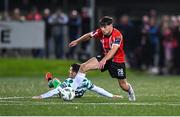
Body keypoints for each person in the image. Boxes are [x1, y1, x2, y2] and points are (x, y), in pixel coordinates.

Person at [68, 16, 136, 101]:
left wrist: (104, 60)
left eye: (105, 27)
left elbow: (113, 50)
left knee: (123, 85)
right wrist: (77, 41)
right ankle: (72, 91)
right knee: (83, 67)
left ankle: (130, 90)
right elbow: (89, 35)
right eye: (101, 27)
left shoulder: (117, 35)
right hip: (104, 56)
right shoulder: (100, 32)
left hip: (117, 61)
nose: (102, 29)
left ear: (111, 25)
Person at [32, 63, 123, 99]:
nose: (69, 71)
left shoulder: (83, 81)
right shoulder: (69, 81)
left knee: (56, 81)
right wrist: (41, 96)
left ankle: (51, 80)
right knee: (55, 82)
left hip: (72, 94)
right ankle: (49, 80)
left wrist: (112, 96)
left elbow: (97, 89)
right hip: (62, 94)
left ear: (75, 73)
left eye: (71, 70)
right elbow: (56, 91)